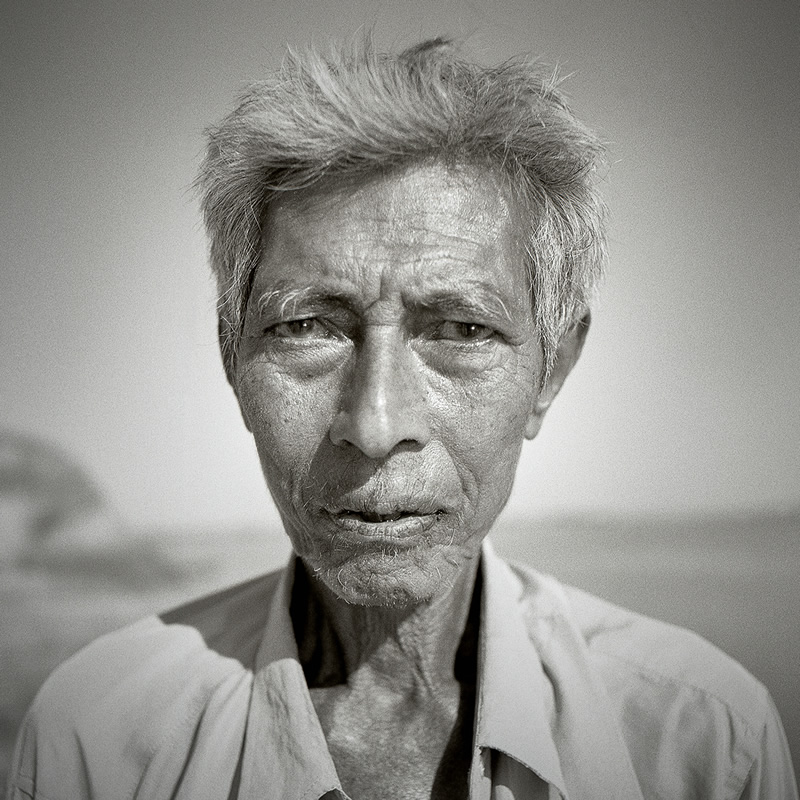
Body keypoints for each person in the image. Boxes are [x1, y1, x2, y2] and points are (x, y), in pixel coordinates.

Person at [6, 37, 797, 800]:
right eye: (308, 326)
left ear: (552, 368)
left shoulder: (701, 743)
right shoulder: (100, 740)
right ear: (232, 356)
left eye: (460, 329)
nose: (376, 425)